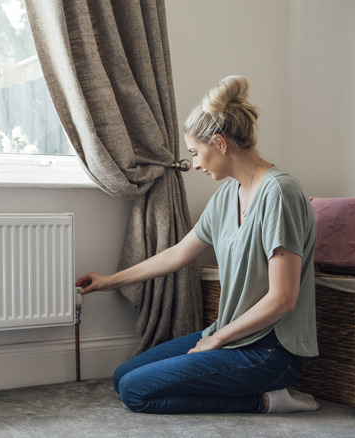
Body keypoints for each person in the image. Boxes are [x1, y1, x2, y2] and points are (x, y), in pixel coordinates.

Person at [76, 75, 320, 414]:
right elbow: (178, 254)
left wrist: (216, 341)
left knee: (135, 392)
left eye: (195, 152)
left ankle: (268, 400)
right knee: (122, 376)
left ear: (219, 143)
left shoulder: (280, 193)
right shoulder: (225, 197)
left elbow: (283, 299)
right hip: (229, 335)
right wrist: (108, 280)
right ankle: (255, 386)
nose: (194, 164)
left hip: (269, 351)